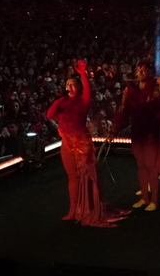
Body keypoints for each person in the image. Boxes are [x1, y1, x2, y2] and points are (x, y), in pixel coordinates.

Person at [45, 60, 126, 226]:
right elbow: (49, 114)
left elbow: (87, 90)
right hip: (67, 143)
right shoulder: (62, 102)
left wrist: (82, 74)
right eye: (68, 84)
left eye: (73, 85)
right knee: (72, 176)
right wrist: (59, 99)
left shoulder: (83, 101)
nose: (70, 87)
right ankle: (73, 210)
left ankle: (90, 207)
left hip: (82, 143)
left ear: (79, 87)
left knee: (87, 176)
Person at [111, 60, 160, 211]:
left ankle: (154, 200)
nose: (140, 73)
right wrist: (115, 128)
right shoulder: (130, 89)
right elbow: (123, 110)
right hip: (137, 131)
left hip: (151, 132)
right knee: (141, 166)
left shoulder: (157, 89)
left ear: (150, 72)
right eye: (138, 71)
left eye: (143, 71)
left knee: (151, 166)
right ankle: (144, 197)